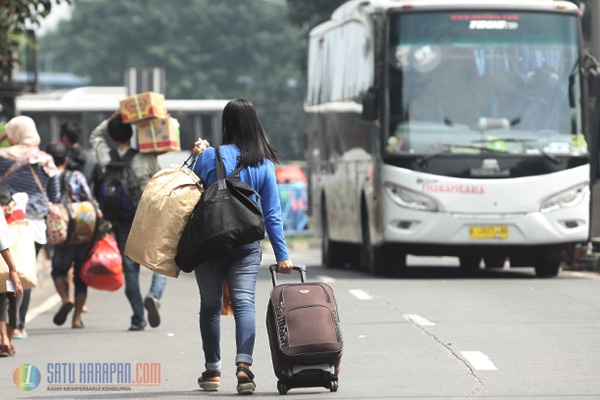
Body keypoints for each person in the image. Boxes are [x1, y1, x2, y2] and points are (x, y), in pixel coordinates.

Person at [190, 98, 293, 394]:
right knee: (244, 303)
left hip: (208, 243)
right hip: (246, 245)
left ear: (227, 124)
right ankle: (244, 368)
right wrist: (283, 256)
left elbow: (188, 198)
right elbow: (272, 215)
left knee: (210, 307)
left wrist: (197, 156)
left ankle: (212, 372)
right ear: (253, 125)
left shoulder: (209, 157)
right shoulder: (262, 163)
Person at [89, 112, 166, 331]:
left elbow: (95, 137)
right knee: (161, 260)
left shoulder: (106, 157)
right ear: (132, 134)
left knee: (130, 269)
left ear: (112, 138)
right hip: (147, 217)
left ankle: (138, 318)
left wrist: (111, 119)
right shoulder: (146, 157)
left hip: (121, 221)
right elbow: (161, 184)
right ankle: (154, 295)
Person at [0, 116, 60, 340]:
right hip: (34, 226)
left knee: (4, 271)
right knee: (25, 272)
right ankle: (19, 325)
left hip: (7, 221)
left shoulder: (3, 158)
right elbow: (54, 195)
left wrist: (5, 137)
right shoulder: (46, 160)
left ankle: (4, 325)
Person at [45, 142, 96, 329]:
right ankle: (76, 319)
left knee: (58, 269)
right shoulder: (76, 175)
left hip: (60, 231)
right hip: (81, 230)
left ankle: (65, 299)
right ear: (66, 159)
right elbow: (90, 200)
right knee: (81, 276)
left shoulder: (47, 177)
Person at [0, 188, 24, 357]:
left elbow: (23, 196)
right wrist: (13, 270)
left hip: (6, 272)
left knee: (10, 299)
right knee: (7, 298)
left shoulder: (17, 214)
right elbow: (1, 240)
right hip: (6, 271)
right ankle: (5, 339)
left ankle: (6, 339)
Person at [59, 121, 100, 192]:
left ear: (64, 138)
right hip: (87, 201)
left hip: (67, 201)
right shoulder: (92, 159)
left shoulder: (61, 160)